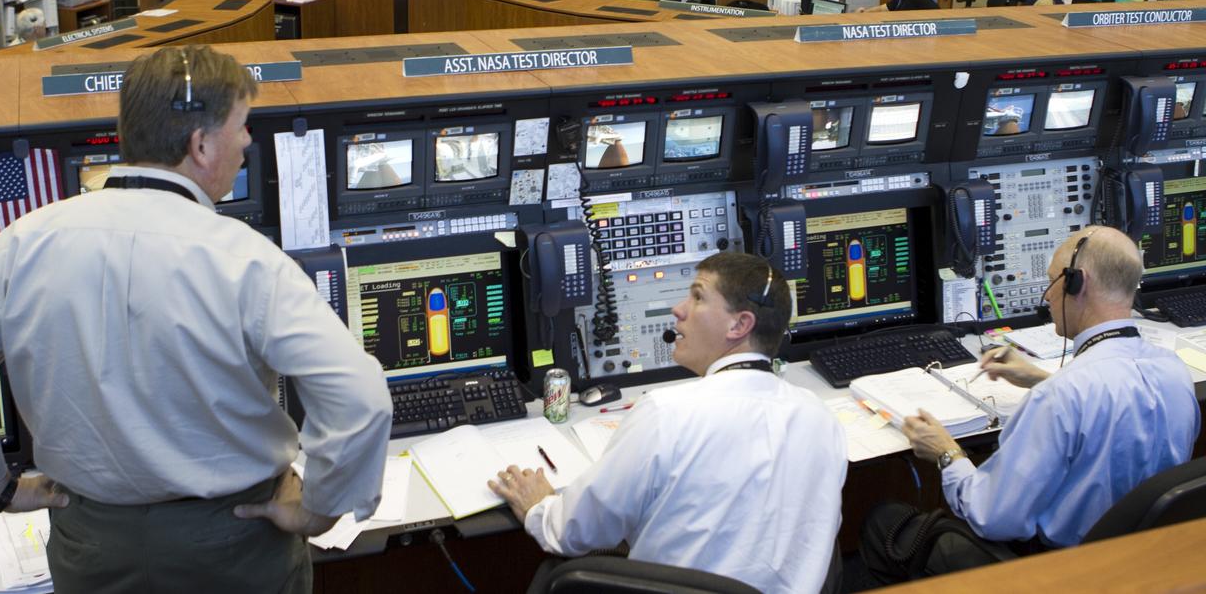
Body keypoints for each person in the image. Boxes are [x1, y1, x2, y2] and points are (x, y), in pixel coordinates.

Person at [0, 45, 393, 593]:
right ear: (200, 145)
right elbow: (360, 398)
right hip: (232, 546)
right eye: (241, 128)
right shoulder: (248, 260)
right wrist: (320, 510)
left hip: (90, 542)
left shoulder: (23, 243)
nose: (247, 145)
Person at [489, 252, 846, 593]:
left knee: (557, 574)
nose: (678, 309)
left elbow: (573, 532)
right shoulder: (820, 417)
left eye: (697, 297)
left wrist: (540, 507)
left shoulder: (668, 412)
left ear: (740, 324)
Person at [860, 227, 1199, 583]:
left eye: (1053, 282)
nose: (1048, 297)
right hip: (1147, 564)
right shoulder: (1172, 371)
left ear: (1075, 284)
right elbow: (1114, 407)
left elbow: (992, 516)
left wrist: (947, 453)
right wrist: (1040, 377)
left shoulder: (1061, 397)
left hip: (1062, 571)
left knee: (883, 522)